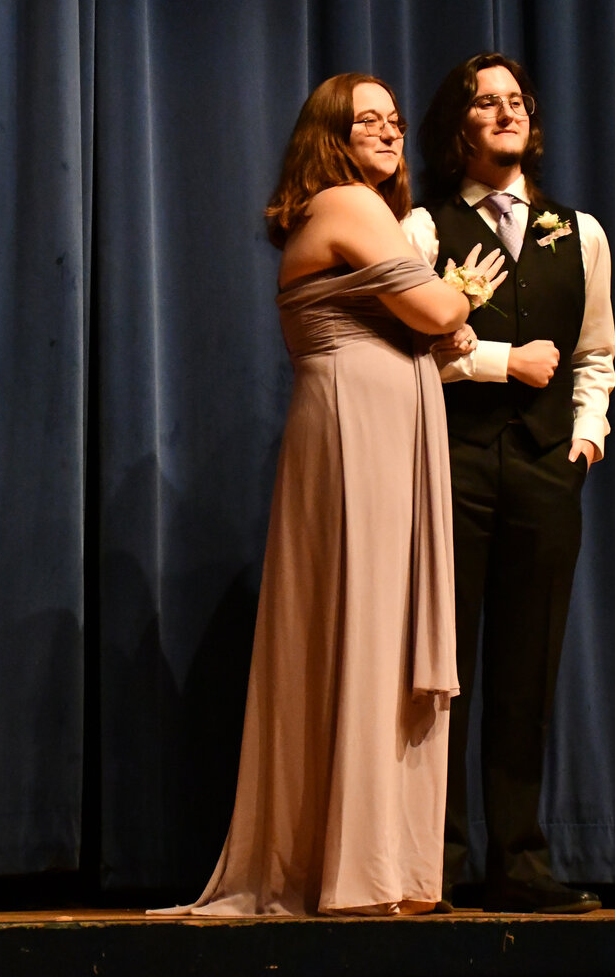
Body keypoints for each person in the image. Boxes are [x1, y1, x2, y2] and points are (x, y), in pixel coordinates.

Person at [155, 73, 507, 916]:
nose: (388, 133)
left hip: (382, 426)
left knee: (382, 633)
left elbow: (432, 316)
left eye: (393, 120)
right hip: (356, 429)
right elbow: (430, 309)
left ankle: (385, 864)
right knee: (364, 627)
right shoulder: (345, 203)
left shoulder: (362, 209)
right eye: (367, 121)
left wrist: (445, 309)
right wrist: (454, 299)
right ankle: (356, 870)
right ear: (331, 137)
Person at [402, 53, 615, 914]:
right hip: (455, 465)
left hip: (544, 467)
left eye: (516, 101)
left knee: (528, 670)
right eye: (485, 103)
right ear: (459, 127)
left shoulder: (582, 231)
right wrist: (501, 363)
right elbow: (413, 353)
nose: (504, 113)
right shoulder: (424, 229)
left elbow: (595, 350)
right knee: (443, 670)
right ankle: (437, 860)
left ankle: (518, 861)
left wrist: (587, 437)